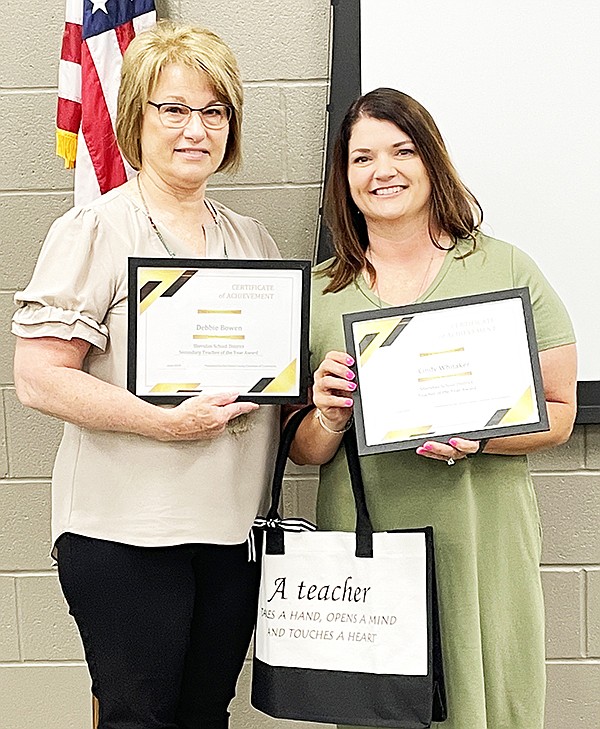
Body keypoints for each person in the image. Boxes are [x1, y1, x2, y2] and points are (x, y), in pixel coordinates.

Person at [12, 21, 281, 729]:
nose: (196, 128)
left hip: (229, 534)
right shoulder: (95, 229)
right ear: (135, 117)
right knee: (140, 718)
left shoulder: (253, 240)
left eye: (213, 110)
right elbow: (38, 377)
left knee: (204, 715)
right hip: (125, 535)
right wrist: (166, 422)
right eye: (173, 108)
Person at [289, 88, 577, 729]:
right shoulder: (318, 293)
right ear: (344, 176)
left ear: (432, 163)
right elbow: (304, 451)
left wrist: (478, 438)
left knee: (491, 703)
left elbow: (559, 412)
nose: (382, 171)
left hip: (481, 536)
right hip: (368, 540)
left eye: (402, 151)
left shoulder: (505, 267)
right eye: (361, 158)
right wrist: (329, 413)